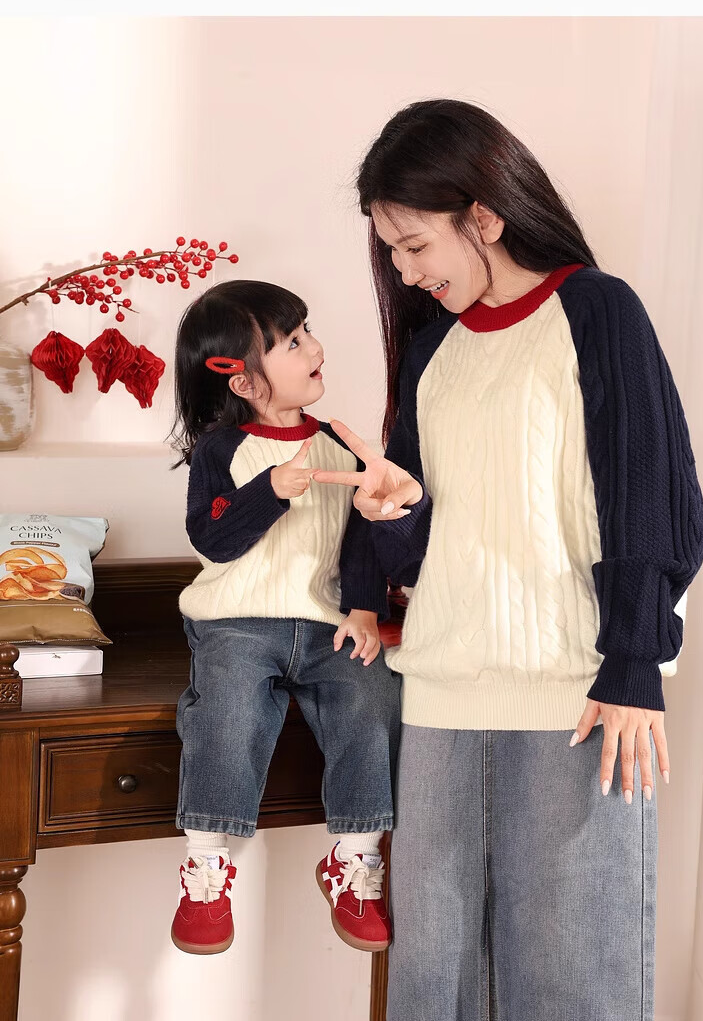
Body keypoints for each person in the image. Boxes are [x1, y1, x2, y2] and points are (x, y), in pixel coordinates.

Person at [312, 99, 703, 1020]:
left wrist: (635, 663)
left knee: (575, 985)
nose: (404, 271)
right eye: (391, 251)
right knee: (435, 988)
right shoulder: (433, 350)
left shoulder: (598, 311)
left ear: (483, 216)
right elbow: (430, 538)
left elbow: (649, 496)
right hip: (441, 699)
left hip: (580, 697)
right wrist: (396, 514)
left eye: (415, 245)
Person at [168, 279, 401, 956]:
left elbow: (362, 540)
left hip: (327, 624)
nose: (315, 348)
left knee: (373, 698)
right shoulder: (221, 451)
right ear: (242, 381)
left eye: (307, 332)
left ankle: (354, 860)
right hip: (237, 622)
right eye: (293, 342)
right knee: (227, 711)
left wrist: (364, 610)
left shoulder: (340, 445)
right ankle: (206, 869)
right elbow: (213, 538)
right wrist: (268, 490)